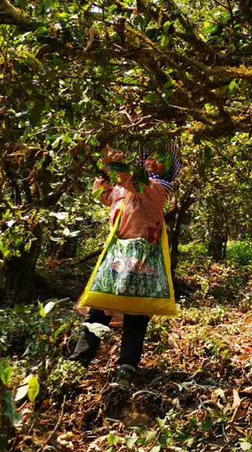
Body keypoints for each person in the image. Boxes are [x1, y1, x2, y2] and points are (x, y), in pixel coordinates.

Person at [71, 147, 180, 380]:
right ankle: (78, 362)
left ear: (168, 169)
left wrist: (114, 164)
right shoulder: (125, 188)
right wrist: (103, 171)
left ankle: (127, 367)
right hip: (117, 259)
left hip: (141, 261)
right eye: (150, 156)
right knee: (99, 311)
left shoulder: (157, 189)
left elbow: (133, 182)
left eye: (160, 161)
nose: (152, 162)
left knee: (136, 315)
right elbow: (105, 194)